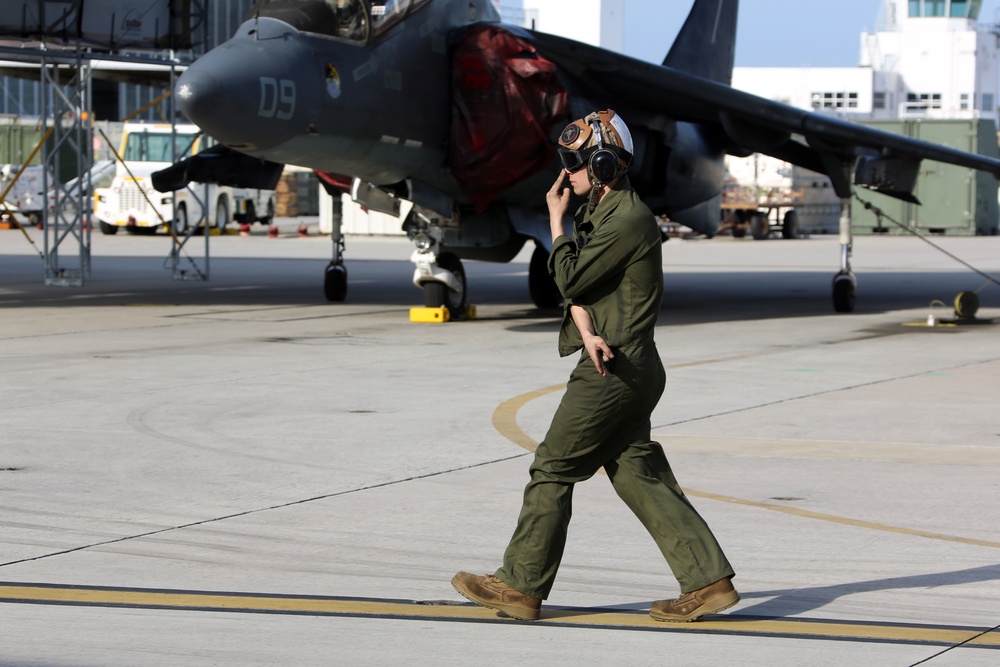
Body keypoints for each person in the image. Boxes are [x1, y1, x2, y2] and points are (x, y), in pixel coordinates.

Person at [452, 109, 738, 622]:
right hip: (623, 362)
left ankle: (520, 585)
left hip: (613, 371)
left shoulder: (626, 219)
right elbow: (586, 293)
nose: (566, 173)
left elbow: (570, 280)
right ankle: (707, 581)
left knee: (551, 468)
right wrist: (584, 330)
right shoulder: (603, 216)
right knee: (637, 475)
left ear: (604, 165)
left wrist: (554, 223)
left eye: (574, 162)